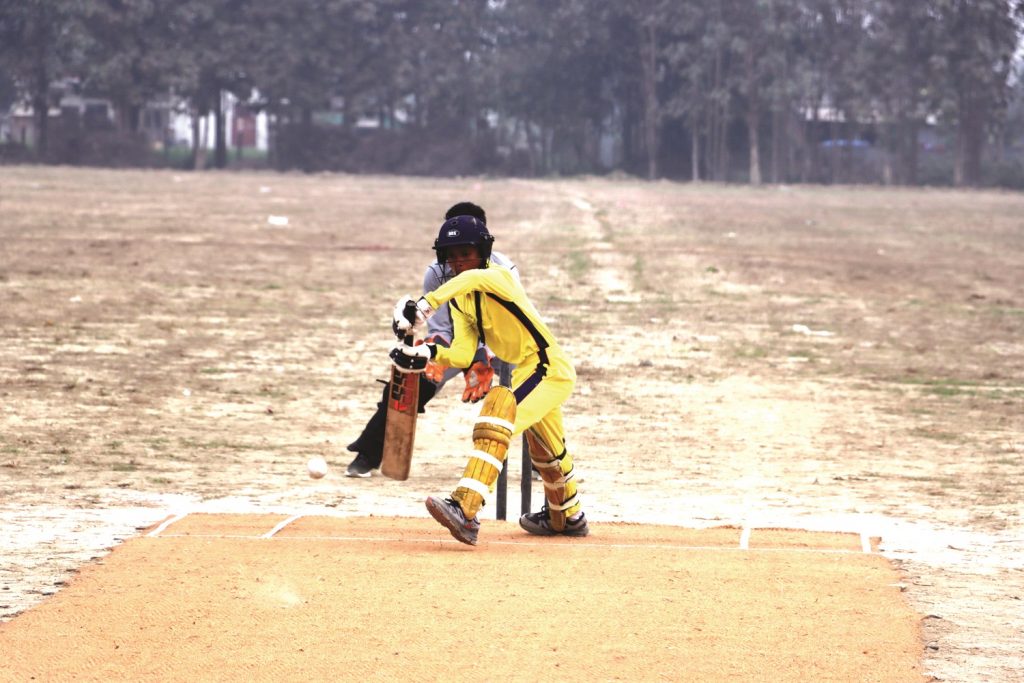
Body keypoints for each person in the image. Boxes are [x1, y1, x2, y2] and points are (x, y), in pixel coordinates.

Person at [390, 214, 588, 546]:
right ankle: (567, 516)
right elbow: (463, 354)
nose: (458, 263)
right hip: (530, 372)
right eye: (451, 256)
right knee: (547, 451)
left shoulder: (497, 277)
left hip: (548, 368)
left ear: (482, 252)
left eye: (465, 254)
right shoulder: (460, 300)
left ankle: (465, 508)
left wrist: (424, 306)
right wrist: (426, 355)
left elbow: (469, 281)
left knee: (498, 416)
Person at [345, 202, 518, 477]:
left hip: (500, 342)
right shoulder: (436, 273)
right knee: (412, 380)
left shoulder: (503, 270)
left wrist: (483, 356)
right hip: (455, 341)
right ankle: (368, 453)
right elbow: (440, 327)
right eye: (452, 250)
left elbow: (504, 322)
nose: (457, 258)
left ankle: (544, 461)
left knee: (533, 383)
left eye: (466, 249)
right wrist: (434, 358)